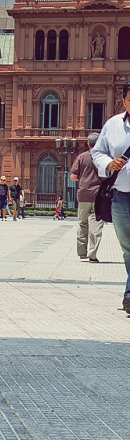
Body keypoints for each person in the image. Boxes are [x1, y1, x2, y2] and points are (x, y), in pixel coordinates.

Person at [92, 85, 130, 312]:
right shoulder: (113, 125)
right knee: (127, 249)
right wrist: (108, 163)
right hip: (120, 197)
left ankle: (129, 294)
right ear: (124, 101)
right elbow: (97, 151)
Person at [70, 132, 103, 263]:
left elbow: (73, 176)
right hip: (99, 196)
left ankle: (82, 252)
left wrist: (83, 179)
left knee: (82, 223)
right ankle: (92, 254)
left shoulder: (81, 157)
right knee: (96, 225)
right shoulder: (104, 158)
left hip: (83, 195)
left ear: (88, 144)